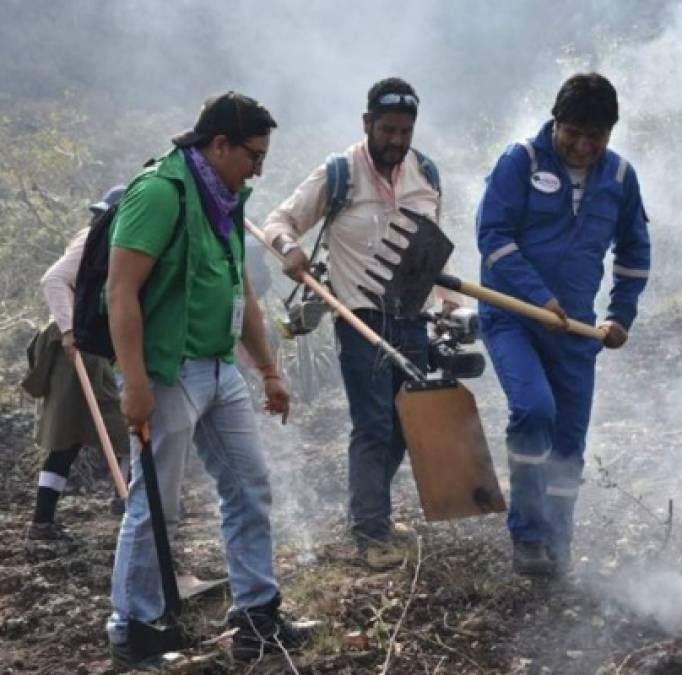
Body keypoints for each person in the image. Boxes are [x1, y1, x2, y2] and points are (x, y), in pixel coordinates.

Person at [105, 91, 319, 670]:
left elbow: (240, 292)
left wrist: (269, 369)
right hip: (166, 370)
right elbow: (120, 291)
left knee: (249, 485)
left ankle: (256, 615)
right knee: (156, 503)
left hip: (220, 368)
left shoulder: (224, 195)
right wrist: (135, 382)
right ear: (218, 144)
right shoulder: (160, 193)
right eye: (253, 154)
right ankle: (134, 630)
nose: (259, 168)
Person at [263, 77, 461, 569]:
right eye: (388, 129)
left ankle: (374, 513)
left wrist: (446, 298)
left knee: (404, 424)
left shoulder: (426, 173)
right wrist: (289, 251)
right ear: (367, 123)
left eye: (405, 131)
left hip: (412, 319)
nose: (397, 140)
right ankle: (370, 533)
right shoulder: (338, 174)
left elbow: (431, 246)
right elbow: (277, 221)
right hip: (359, 318)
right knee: (372, 424)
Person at [476, 73, 650, 576]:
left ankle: (558, 544)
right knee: (534, 411)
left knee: (569, 441)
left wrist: (621, 315)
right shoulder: (520, 162)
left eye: (595, 136)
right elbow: (493, 238)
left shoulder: (618, 178)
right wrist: (538, 297)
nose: (582, 145)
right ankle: (527, 536)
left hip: (577, 329)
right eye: (573, 132)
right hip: (513, 316)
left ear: (610, 133)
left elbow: (635, 252)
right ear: (557, 122)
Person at [23, 185, 130, 545]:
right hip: (75, 350)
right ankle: (42, 522)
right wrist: (70, 331)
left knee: (125, 430)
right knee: (66, 438)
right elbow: (53, 279)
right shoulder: (90, 239)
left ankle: (126, 501)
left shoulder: (122, 246)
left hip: (96, 347)